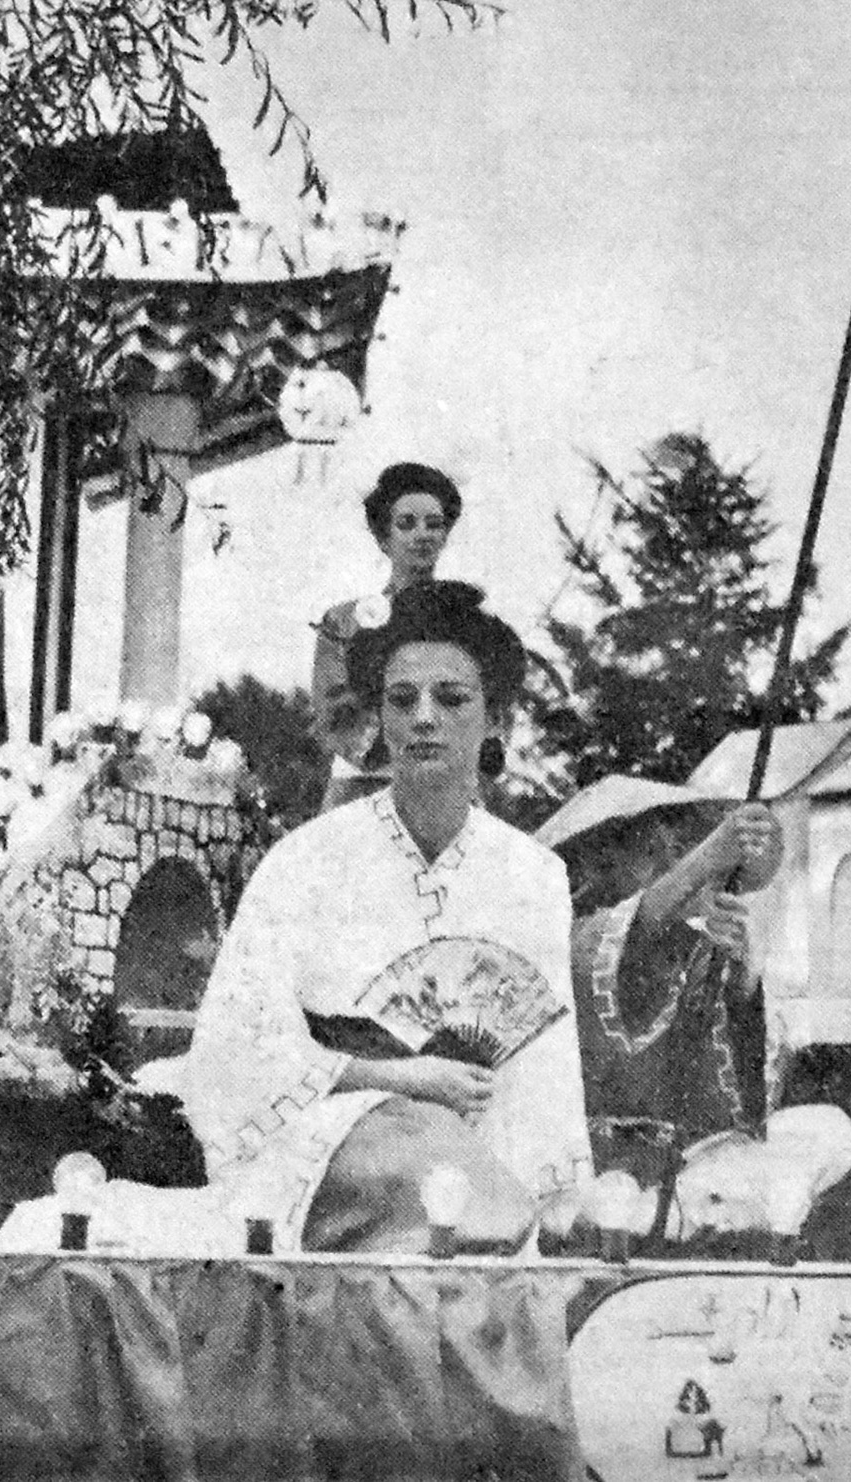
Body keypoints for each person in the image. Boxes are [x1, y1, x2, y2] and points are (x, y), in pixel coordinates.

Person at [184, 581, 593, 1253]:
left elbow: (544, 1071)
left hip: (483, 1152)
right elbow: (234, 1052)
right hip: (335, 1141)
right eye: (402, 700)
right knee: (430, 1163)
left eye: (452, 698)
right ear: (378, 718)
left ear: (497, 721)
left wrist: (552, 1193)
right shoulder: (306, 860)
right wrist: (393, 1079)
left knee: (499, 1213)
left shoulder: (533, 875)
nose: (424, 718)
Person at [538, 779, 783, 1177]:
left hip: (684, 1173)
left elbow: (736, 1078)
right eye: (651, 850)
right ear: (600, 863)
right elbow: (630, 939)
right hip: (592, 1168)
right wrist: (704, 861)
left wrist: (742, 980)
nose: (670, 864)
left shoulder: (696, 943)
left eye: (679, 847)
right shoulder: (575, 937)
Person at [310, 463, 462, 812]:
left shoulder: (466, 622)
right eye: (406, 524)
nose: (422, 535)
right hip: (363, 787)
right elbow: (334, 714)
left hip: (444, 790)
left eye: (434, 524)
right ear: (383, 539)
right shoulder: (345, 622)